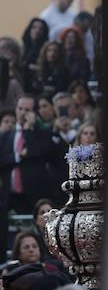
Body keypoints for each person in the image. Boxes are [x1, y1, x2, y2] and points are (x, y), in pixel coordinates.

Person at [0, 97, 54, 257]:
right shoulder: (6, 135)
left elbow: (39, 152)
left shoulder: (41, 133)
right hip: (8, 195)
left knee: (39, 232)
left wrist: (30, 129)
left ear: (34, 113)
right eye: (20, 109)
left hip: (33, 194)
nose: (23, 113)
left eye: (27, 110)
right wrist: (17, 156)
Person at [19, 19, 48, 93]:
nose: (37, 31)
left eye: (41, 29)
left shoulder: (47, 50)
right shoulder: (21, 48)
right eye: (34, 27)